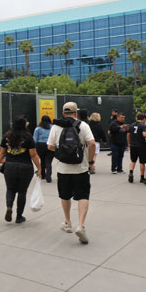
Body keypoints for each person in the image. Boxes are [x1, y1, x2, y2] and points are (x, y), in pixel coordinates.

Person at [47, 102, 96, 244]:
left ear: (63, 113)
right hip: (81, 168)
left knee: (65, 195)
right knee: (83, 196)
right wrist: (91, 162)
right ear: (75, 113)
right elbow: (92, 143)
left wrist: (60, 155)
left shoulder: (55, 127)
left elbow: (49, 146)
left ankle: (67, 223)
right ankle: (80, 225)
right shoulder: (83, 125)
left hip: (63, 169)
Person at [0, 116, 41, 224]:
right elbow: (33, 154)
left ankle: (9, 207)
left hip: (10, 166)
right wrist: (39, 168)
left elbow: (2, 152)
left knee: (10, 189)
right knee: (22, 191)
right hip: (25, 167)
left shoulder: (7, 136)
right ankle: (19, 216)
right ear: (24, 125)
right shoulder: (28, 137)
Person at [127, 113, 146, 184]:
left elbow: (128, 134)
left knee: (133, 160)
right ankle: (142, 177)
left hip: (133, 145)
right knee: (142, 162)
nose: (145, 121)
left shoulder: (132, 125)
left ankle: (131, 173)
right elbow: (144, 134)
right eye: (145, 120)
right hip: (141, 145)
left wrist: (129, 143)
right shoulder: (144, 126)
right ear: (143, 119)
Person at [33, 115, 54, 182]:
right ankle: (49, 176)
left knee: (42, 160)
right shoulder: (52, 127)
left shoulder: (38, 128)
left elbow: (35, 139)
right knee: (48, 161)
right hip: (50, 144)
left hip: (40, 145)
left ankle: (42, 175)